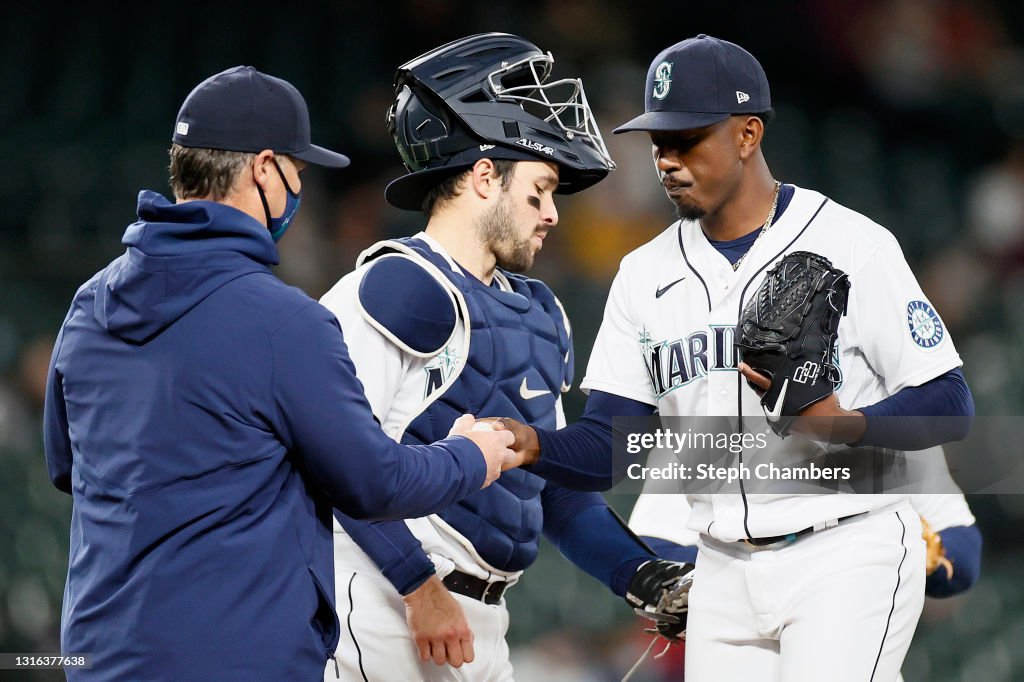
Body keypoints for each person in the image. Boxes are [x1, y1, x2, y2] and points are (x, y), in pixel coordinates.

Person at [494, 35, 975, 681]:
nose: (666, 160)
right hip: (721, 566)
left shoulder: (854, 243)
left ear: (748, 134)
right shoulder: (642, 274)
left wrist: (842, 424)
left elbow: (949, 404)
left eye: (688, 139)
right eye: (659, 143)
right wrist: (532, 445)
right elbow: (611, 443)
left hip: (846, 546)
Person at [42, 65, 518, 682]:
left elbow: (66, 466)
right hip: (235, 659)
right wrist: (471, 455)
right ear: (264, 168)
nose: (299, 188)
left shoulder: (90, 306)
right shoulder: (283, 322)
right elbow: (374, 484)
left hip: (100, 655)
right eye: (296, 170)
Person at [317, 34, 688, 682]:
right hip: (387, 603)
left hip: (482, 624)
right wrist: (417, 588)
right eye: (539, 190)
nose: (551, 215)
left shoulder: (540, 314)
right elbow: (333, 461)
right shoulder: (398, 286)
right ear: (484, 175)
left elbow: (554, 496)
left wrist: (642, 575)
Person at [627, 452, 983, 680]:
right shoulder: (707, 418)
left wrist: (912, 548)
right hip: (744, 644)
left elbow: (964, 553)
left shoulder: (880, 418)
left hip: (848, 644)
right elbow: (649, 544)